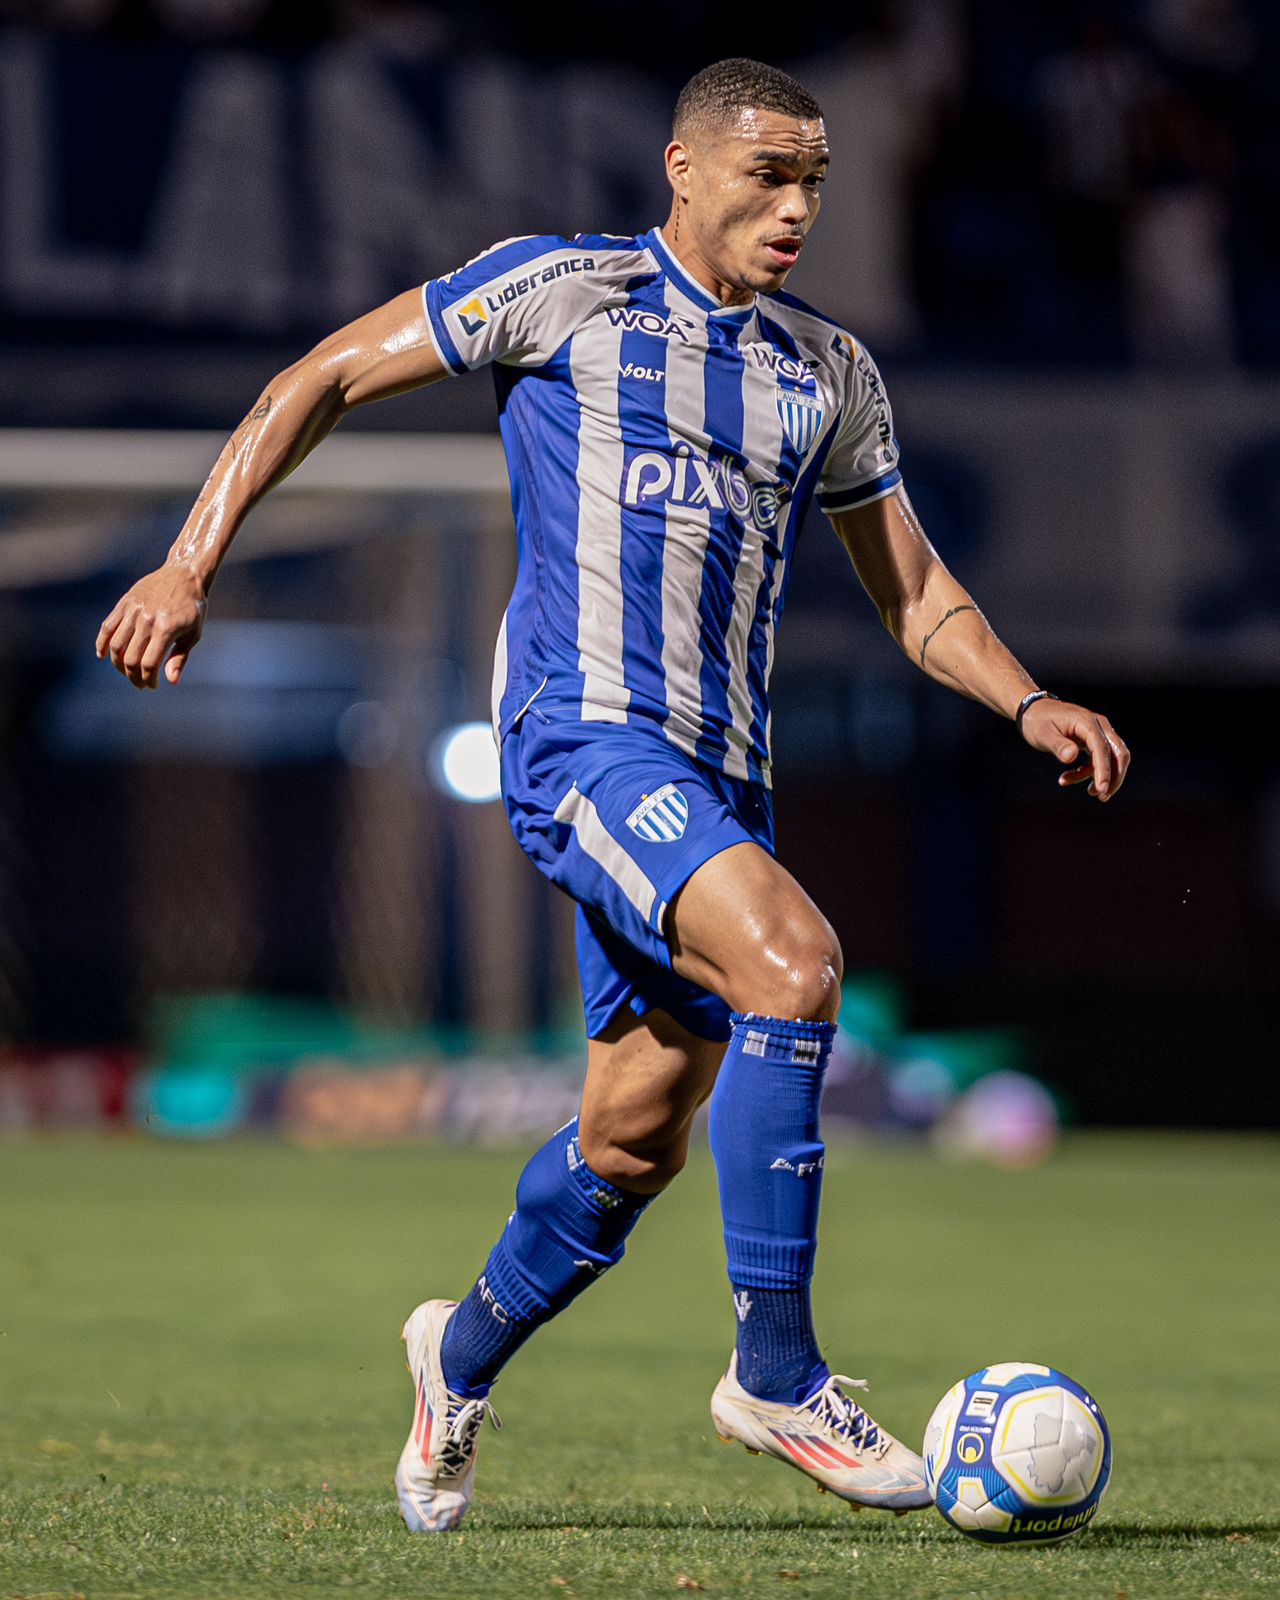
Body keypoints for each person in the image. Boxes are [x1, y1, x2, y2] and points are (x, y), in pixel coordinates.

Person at [96, 57, 1130, 1534]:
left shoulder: (826, 371)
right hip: (581, 742)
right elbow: (312, 375)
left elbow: (914, 592)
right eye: (769, 175)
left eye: (816, 181)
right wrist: (190, 562)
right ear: (685, 169)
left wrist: (1026, 696)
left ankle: (453, 1356)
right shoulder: (559, 292)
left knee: (635, 1137)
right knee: (798, 961)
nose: (796, 208)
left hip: (721, 779)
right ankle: (775, 1373)